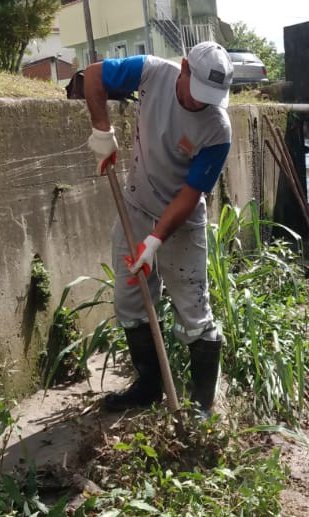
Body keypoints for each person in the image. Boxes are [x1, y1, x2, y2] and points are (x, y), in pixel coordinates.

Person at [66, 42, 234, 415]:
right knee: (130, 302)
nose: (200, 103)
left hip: (183, 224)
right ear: (184, 67)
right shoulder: (151, 72)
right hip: (136, 206)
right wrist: (102, 132)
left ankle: (201, 407)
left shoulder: (217, 129)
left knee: (194, 312)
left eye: (211, 98)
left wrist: (155, 241)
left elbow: (190, 195)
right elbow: (93, 76)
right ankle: (148, 388)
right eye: (197, 91)